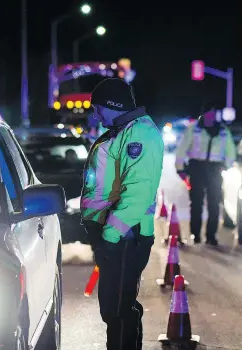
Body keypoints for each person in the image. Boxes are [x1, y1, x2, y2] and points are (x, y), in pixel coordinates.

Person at [80, 78, 164, 350]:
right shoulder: (121, 130)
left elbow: (137, 192)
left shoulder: (138, 134)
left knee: (116, 308)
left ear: (113, 106)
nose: (95, 114)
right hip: (116, 235)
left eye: (98, 108)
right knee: (118, 303)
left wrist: (111, 235)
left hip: (125, 235)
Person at [175, 104, 236, 245]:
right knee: (196, 203)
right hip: (197, 168)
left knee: (214, 204)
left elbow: (230, 151)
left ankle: (211, 236)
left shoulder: (223, 131)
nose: (211, 116)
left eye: (213, 114)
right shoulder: (193, 129)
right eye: (209, 113)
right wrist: (180, 169)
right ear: (203, 114)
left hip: (215, 170)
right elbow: (181, 149)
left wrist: (225, 166)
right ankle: (195, 234)